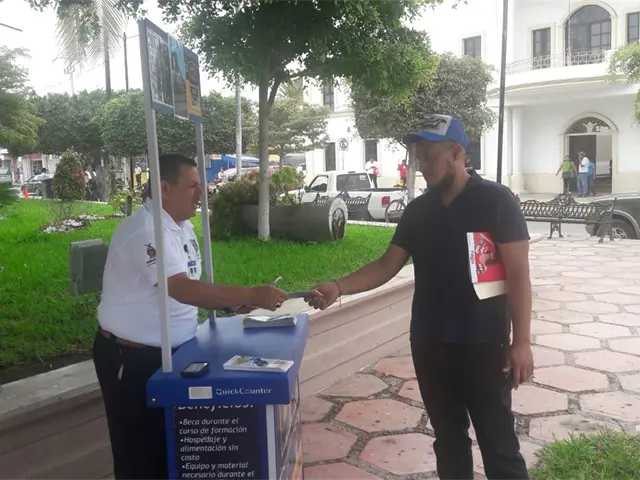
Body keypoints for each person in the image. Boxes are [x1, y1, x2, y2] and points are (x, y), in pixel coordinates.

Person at [306, 115, 533, 480]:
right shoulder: (419, 211)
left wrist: (521, 342)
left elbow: (518, 273)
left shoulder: (496, 200)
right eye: (418, 157)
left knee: (499, 443)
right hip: (430, 344)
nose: (421, 165)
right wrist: (339, 286)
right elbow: (387, 264)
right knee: (449, 440)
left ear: (456, 152)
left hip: (485, 344)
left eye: (429, 156)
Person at [93, 153, 288, 480]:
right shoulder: (147, 231)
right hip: (133, 358)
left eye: (202, 185)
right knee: (139, 454)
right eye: (193, 186)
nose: (202, 193)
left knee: (169, 451)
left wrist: (231, 304)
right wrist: (250, 294)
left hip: (175, 352)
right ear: (165, 189)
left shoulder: (180, 227)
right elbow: (181, 288)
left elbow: (192, 286)